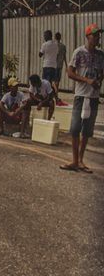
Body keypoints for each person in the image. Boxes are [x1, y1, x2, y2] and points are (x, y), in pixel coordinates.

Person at [61, 23, 103, 173]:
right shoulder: (79, 52)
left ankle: (80, 159)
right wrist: (86, 80)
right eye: (95, 35)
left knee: (87, 130)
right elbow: (70, 73)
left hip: (93, 97)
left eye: (99, 35)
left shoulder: (100, 55)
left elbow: (101, 72)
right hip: (81, 95)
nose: (98, 38)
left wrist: (98, 82)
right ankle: (74, 160)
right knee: (75, 128)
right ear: (87, 36)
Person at [53, 31, 68, 105]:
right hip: (60, 66)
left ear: (55, 37)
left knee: (53, 82)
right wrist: (66, 65)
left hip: (54, 65)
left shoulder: (53, 46)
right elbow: (64, 57)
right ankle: (56, 95)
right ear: (60, 37)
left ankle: (55, 96)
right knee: (57, 82)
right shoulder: (63, 46)